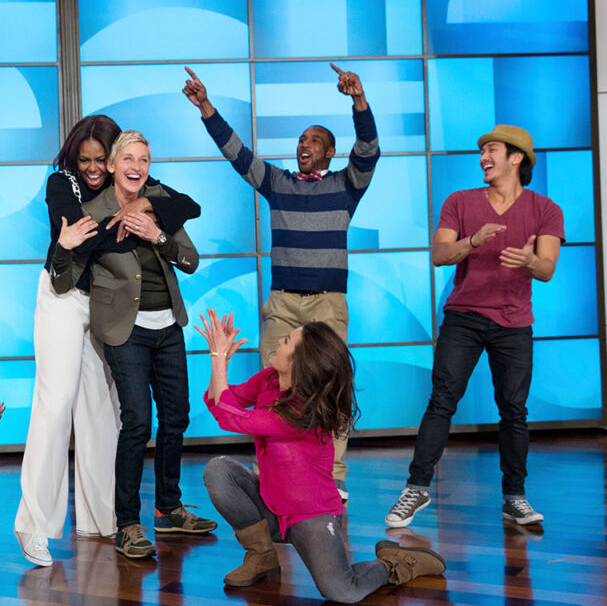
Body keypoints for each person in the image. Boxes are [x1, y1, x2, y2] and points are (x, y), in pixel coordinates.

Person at [182, 63, 380, 499]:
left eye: (314, 141)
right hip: (285, 304)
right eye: (301, 140)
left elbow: (368, 149)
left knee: (330, 387)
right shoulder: (278, 183)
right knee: (274, 386)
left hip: (328, 305)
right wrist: (206, 107)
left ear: (329, 154)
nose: (303, 145)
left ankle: (334, 475)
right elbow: (238, 154)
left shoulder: (347, 186)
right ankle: (274, 471)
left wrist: (358, 101)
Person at [15, 115, 200, 566]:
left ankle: (105, 521)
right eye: (87, 159)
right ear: (75, 157)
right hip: (64, 294)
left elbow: (185, 205)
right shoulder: (62, 183)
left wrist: (149, 211)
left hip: (107, 302)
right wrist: (85, 232)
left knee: (105, 413)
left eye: (103, 159)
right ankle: (34, 525)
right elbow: (76, 229)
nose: (95, 168)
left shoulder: (131, 174)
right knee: (56, 404)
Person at [196, 310, 445, 602]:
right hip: (271, 505)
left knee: (343, 591)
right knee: (219, 470)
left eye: (287, 341)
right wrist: (222, 361)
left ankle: (397, 562)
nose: (279, 342)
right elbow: (221, 401)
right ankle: (261, 556)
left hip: (311, 516)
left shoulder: (302, 412)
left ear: (299, 363)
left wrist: (217, 356)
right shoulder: (269, 379)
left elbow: (229, 416)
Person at [385, 125, 563, 528]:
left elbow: (547, 268)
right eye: (482, 150)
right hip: (463, 317)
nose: (483, 157)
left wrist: (529, 261)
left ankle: (514, 497)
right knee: (442, 400)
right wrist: (474, 242)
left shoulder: (545, 209)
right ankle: (416, 488)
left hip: (514, 322)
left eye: (492, 150)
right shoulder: (461, 201)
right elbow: (440, 254)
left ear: (516, 158)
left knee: (514, 411)